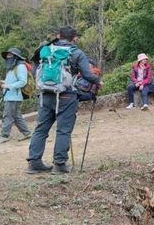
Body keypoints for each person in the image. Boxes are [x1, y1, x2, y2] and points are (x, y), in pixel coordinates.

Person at [27, 26, 100, 174]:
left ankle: (34, 162)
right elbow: (87, 74)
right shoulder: (76, 53)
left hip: (45, 94)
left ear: (58, 35)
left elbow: (35, 71)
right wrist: (98, 81)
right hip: (66, 95)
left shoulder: (45, 50)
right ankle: (59, 164)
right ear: (75, 38)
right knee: (63, 130)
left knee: (41, 129)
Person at [0, 48, 32, 144]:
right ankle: (27, 133)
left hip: (13, 97)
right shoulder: (12, 68)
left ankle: (4, 136)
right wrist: (3, 82)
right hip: (9, 96)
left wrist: (8, 86)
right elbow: (12, 81)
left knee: (7, 116)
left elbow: (23, 82)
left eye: (10, 55)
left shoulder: (20, 66)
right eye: (7, 55)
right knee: (16, 116)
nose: (8, 57)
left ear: (16, 56)